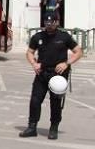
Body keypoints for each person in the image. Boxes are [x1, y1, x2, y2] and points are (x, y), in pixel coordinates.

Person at [21, 11, 83, 140]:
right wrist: (34, 63)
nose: (49, 25)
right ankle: (32, 127)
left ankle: (54, 128)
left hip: (58, 75)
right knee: (35, 100)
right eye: (46, 22)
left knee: (55, 102)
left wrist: (66, 63)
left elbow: (78, 52)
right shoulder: (38, 37)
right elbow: (30, 52)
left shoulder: (64, 37)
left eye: (51, 22)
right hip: (42, 73)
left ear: (57, 22)